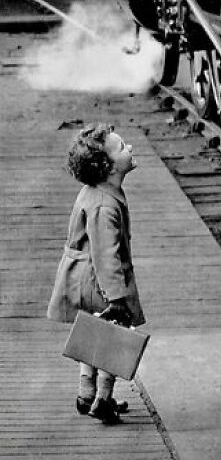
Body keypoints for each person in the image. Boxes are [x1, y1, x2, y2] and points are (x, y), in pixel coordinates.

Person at [47, 122, 145, 425]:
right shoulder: (105, 205)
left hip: (82, 276)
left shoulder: (96, 193)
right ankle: (103, 399)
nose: (129, 148)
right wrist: (117, 298)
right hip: (97, 280)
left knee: (92, 332)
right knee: (111, 335)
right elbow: (105, 255)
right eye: (122, 147)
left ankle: (85, 393)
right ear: (109, 167)